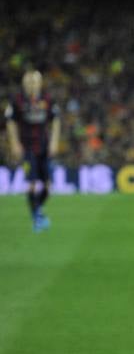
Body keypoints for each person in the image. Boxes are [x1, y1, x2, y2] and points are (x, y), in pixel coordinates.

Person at [5, 69, 60, 232]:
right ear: (24, 84)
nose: (31, 85)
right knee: (32, 184)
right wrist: (14, 143)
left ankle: (38, 211)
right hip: (27, 148)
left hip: (44, 147)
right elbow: (10, 121)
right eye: (28, 82)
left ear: (40, 83)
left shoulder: (48, 99)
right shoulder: (17, 100)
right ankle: (37, 218)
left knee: (48, 187)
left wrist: (54, 142)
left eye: (34, 81)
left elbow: (56, 119)